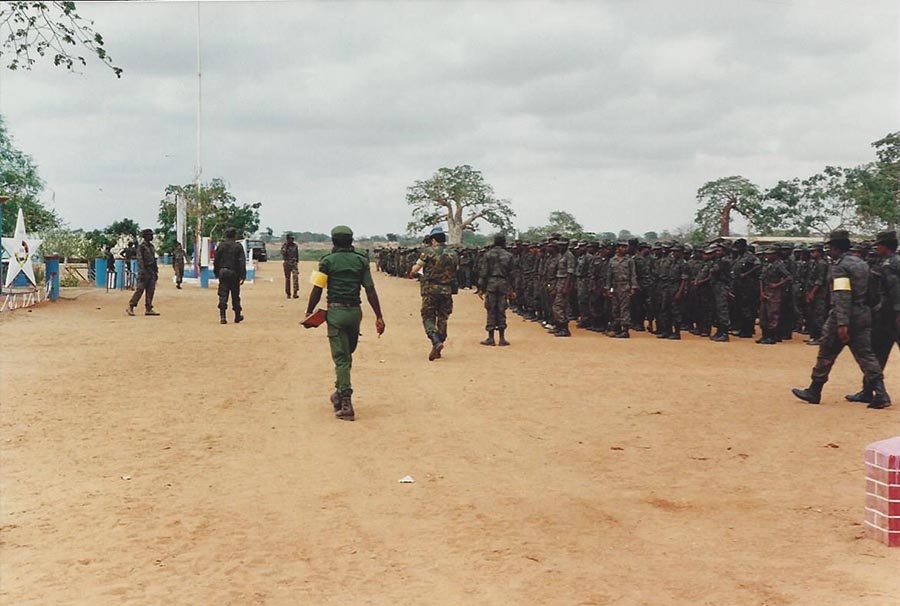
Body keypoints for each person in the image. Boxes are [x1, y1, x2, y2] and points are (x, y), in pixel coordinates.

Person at [791, 230, 890, 408]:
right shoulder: (862, 264)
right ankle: (880, 393)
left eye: (829, 247)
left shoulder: (840, 266)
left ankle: (814, 390)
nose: (828, 250)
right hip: (863, 314)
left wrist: (842, 322)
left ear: (836, 248)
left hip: (843, 315)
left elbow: (842, 295)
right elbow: (872, 293)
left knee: (826, 353)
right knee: (866, 356)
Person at [304, 225, 385, 421]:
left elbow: (317, 289)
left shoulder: (326, 261)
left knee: (341, 358)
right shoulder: (361, 261)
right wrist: (379, 316)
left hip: (336, 313)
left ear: (333, 241)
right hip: (355, 313)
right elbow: (370, 290)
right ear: (351, 240)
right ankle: (339, 394)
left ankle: (346, 403)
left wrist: (309, 312)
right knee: (347, 355)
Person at [845, 230, 900, 405]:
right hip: (890, 314)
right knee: (876, 354)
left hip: (889, 316)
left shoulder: (888, 265)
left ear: (885, 247)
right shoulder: (894, 262)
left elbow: (894, 290)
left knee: (876, 353)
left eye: (879, 245)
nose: (876, 248)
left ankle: (870, 392)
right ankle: (868, 390)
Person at [409, 226, 458, 361]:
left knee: (428, 317)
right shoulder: (453, 253)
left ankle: (435, 341)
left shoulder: (428, 252)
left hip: (430, 290)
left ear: (434, 240)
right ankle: (440, 341)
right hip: (446, 290)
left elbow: (416, 268)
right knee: (443, 317)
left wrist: (412, 272)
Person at [476, 233, 516, 346]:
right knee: (501, 310)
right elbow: (512, 274)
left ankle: (491, 338)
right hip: (503, 284)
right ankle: (502, 338)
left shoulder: (488, 255)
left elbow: (483, 273)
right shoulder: (509, 255)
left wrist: (481, 288)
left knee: (491, 310)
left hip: (491, 284)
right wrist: (512, 289)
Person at [757, 246, 790, 345]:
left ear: (775, 255)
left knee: (773, 314)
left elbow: (789, 277)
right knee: (763, 314)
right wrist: (761, 292)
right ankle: (765, 335)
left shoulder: (779, 265)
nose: (767, 256)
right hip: (766, 290)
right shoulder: (766, 265)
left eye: (770, 254)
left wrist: (777, 284)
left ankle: (772, 336)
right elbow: (761, 279)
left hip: (775, 292)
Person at [214, 227, 246, 325]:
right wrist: (243, 275)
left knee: (223, 294)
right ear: (235, 235)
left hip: (223, 272)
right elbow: (241, 262)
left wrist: (216, 272)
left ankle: (223, 316)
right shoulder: (238, 246)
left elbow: (216, 260)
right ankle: (237, 316)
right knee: (235, 295)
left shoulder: (221, 246)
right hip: (234, 273)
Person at [606, 240, 638, 338]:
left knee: (625, 308)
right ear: (618, 248)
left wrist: (633, 287)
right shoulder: (612, 260)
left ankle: (625, 330)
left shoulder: (629, 261)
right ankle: (617, 329)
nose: (625, 249)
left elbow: (633, 274)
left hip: (625, 286)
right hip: (615, 286)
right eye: (622, 247)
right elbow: (609, 276)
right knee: (615, 308)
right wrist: (607, 288)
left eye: (625, 247)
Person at [126, 229, 159, 316]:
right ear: (145, 236)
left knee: (151, 290)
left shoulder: (151, 247)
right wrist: (142, 271)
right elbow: (140, 260)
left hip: (151, 271)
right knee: (140, 289)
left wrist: (156, 271)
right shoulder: (141, 247)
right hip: (145, 270)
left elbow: (153, 259)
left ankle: (148, 308)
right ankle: (131, 306)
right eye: (150, 235)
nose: (152, 236)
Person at [281, 232, 300, 299]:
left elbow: (297, 254)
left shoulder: (295, 246)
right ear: (288, 239)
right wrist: (286, 246)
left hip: (294, 263)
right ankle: (288, 293)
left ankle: (295, 293)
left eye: (292, 239)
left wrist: (297, 262)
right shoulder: (284, 245)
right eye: (291, 239)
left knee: (295, 278)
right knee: (287, 279)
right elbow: (283, 253)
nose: (292, 240)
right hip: (287, 262)